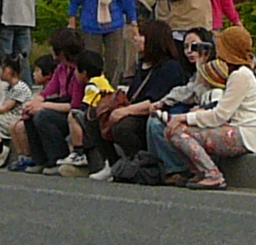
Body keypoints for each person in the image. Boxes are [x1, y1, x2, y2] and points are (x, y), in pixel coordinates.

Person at [72, 16, 188, 179]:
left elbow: (155, 100)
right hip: (134, 109)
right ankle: (112, 163)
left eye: (140, 35)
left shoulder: (170, 67)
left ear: (152, 40)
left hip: (152, 114)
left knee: (123, 127)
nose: (135, 39)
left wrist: (125, 111)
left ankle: (141, 162)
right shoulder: (142, 65)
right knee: (93, 116)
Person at [159, 25, 256, 188]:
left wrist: (184, 117)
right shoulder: (237, 73)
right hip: (238, 129)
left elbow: (219, 115)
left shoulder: (240, 76)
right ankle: (199, 172)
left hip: (244, 134)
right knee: (173, 130)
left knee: (177, 132)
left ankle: (212, 174)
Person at [10, 31, 88, 172]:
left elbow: (75, 105)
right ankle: (39, 159)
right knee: (31, 114)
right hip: (62, 107)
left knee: (43, 116)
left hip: (75, 113)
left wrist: (43, 106)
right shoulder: (61, 69)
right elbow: (47, 92)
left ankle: (56, 158)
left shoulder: (78, 70)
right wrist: (32, 104)